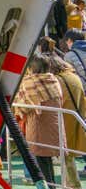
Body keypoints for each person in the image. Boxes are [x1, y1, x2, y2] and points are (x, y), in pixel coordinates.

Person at [15, 52, 64, 185]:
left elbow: (23, 108)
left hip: (38, 125)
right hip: (54, 125)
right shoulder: (54, 80)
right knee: (47, 159)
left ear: (32, 67)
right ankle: (51, 184)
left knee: (40, 159)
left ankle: (49, 186)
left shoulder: (29, 82)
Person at [50, 54, 86, 188]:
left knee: (66, 157)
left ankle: (73, 185)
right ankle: (71, 185)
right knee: (68, 156)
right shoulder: (73, 76)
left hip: (63, 121)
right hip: (75, 118)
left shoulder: (58, 80)